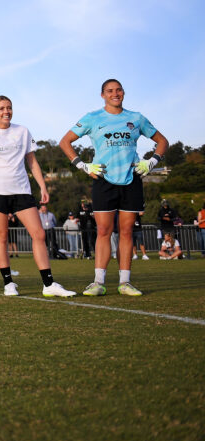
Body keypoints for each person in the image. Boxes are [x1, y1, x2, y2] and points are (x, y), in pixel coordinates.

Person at [60, 78, 168, 296]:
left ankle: (125, 283)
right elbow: (65, 142)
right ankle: (98, 282)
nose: (115, 94)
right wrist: (82, 165)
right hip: (103, 180)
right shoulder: (92, 118)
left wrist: (152, 161)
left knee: (127, 231)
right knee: (103, 231)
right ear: (103, 95)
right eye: (110, 91)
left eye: (118, 90)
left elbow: (162, 141)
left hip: (131, 179)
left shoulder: (136, 118)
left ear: (123, 93)